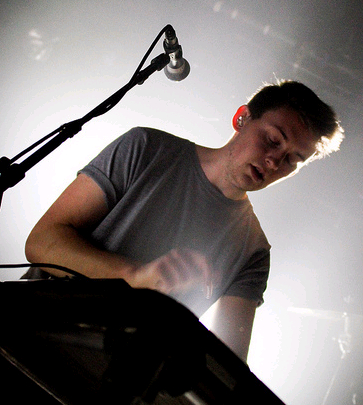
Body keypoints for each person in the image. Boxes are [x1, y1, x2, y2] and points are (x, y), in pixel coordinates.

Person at [24, 80, 344, 361]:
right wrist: (134, 277)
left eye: (292, 161)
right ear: (242, 118)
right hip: (32, 330)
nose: (275, 161)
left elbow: (228, 364)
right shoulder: (146, 147)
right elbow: (41, 242)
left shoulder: (254, 251)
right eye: (273, 140)